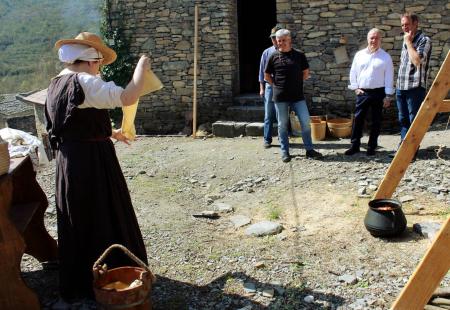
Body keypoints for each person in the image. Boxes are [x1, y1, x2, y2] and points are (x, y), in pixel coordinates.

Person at [45, 32, 149, 301]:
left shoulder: (57, 82)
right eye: (100, 62)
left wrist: (110, 132)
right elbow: (127, 96)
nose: (100, 67)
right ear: (92, 60)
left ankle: (82, 277)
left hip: (71, 159)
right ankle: (108, 273)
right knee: (101, 212)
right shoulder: (85, 82)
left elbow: (73, 122)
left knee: (81, 215)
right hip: (90, 162)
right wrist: (142, 68)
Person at [264, 29, 322, 163]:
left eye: (284, 40)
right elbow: (267, 75)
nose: (281, 43)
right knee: (282, 125)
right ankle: (285, 152)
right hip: (280, 97)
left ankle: (309, 150)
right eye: (279, 41)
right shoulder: (273, 56)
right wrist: (276, 86)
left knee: (305, 123)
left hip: (297, 96)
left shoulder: (299, 55)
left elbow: (306, 73)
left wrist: (296, 82)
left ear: (289, 40)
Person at [345, 28, 394, 156]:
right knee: (358, 119)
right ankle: (354, 145)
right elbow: (353, 72)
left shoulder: (386, 57)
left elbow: (389, 77)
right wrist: (355, 88)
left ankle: (372, 147)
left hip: (379, 93)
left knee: (376, 121)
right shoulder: (359, 55)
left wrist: (388, 96)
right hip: (363, 93)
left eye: (377, 38)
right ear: (368, 39)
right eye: (372, 38)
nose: (374, 40)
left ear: (380, 40)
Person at [395, 13, 432, 152]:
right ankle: (404, 150)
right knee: (403, 120)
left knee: (413, 121)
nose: (405, 27)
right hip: (401, 86)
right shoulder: (405, 39)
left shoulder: (424, 40)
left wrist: (409, 43)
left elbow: (417, 61)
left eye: (407, 24)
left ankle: (411, 151)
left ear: (416, 23)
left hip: (415, 86)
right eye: (403, 25)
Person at [259, 25, 282, 149]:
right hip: (269, 86)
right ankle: (267, 139)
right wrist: (261, 88)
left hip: (281, 87)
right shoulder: (267, 52)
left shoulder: (286, 51)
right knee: (268, 114)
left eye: (275, 37)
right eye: (272, 38)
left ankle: (282, 137)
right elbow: (261, 72)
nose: (274, 40)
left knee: (281, 114)